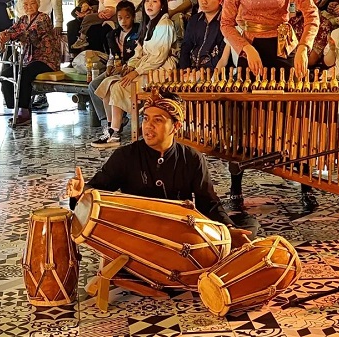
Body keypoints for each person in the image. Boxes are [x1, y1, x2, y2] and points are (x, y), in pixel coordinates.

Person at [66, 90, 259, 245]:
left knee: (248, 225)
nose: (148, 126)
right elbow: (97, 191)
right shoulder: (125, 156)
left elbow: (207, 203)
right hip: (141, 236)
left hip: (181, 233)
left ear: (176, 126)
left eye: (157, 120)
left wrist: (228, 228)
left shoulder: (192, 158)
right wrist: (79, 193)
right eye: (146, 119)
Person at [220, 0, 320, 211]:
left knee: (295, 120)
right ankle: (235, 187)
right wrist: (245, 47)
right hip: (251, 48)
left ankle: (306, 186)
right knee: (243, 122)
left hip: (282, 47)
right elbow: (226, 24)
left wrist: (303, 47)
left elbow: (312, 15)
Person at [90, 0, 177, 148]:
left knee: (119, 86)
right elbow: (139, 53)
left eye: (154, 1)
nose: (149, 5)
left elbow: (159, 57)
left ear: (161, 5)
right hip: (145, 67)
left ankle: (115, 133)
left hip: (160, 71)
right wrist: (129, 66)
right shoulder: (149, 24)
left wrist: (136, 71)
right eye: (147, 1)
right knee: (108, 84)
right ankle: (111, 127)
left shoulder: (165, 24)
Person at [0, 0, 61, 125]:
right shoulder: (22, 19)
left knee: (24, 74)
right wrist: (2, 34)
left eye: (31, 3)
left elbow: (31, 34)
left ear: (37, 4)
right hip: (28, 60)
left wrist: (10, 36)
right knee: (6, 74)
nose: (28, 7)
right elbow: (11, 30)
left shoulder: (44, 18)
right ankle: (13, 106)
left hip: (46, 59)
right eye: (25, 4)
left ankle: (24, 112)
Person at [88, 0, 139, 129]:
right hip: (115, 68)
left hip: (131, 68)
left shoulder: (139, 32)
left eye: (127, 17)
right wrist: (109, 66)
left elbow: (139, 55)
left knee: (111, 86)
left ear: (133, 17)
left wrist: (126, 67)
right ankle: (107, 120)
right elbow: (112, 55)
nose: (123, 21)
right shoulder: (113, 34)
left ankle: (117, 120)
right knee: (93, 85)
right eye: (120, 18)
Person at [27, 0, 64, 110]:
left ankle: (38, 97)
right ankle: (18, 102)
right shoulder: (24, 16)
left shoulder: (43, 18)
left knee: (28, 69)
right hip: (27, 20)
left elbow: (56, 2)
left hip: (41, 20)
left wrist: (59, 22)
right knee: (14, 68)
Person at [178, 0, 231, 70]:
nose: (204, 1)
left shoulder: (227, 22)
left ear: (220, 1)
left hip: (215, 72)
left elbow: (223, 55)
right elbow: (185, 47)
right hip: (190, 71)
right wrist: (185, 69)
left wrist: (204, 72)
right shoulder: (194, 20)